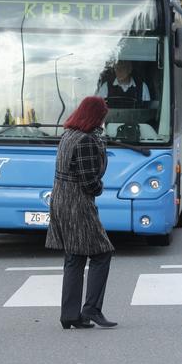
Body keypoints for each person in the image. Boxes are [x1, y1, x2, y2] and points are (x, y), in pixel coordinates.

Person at [45, 96, 118, 329]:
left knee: (74, 257)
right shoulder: (86, 141)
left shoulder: (68, 135)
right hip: (77, 203)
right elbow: (89, 183)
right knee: (102, 253)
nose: (103, 122)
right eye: (102, 117)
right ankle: (92, 309)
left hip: (60, 200)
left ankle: (70, 315)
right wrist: (100, 186)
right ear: (95, 117)